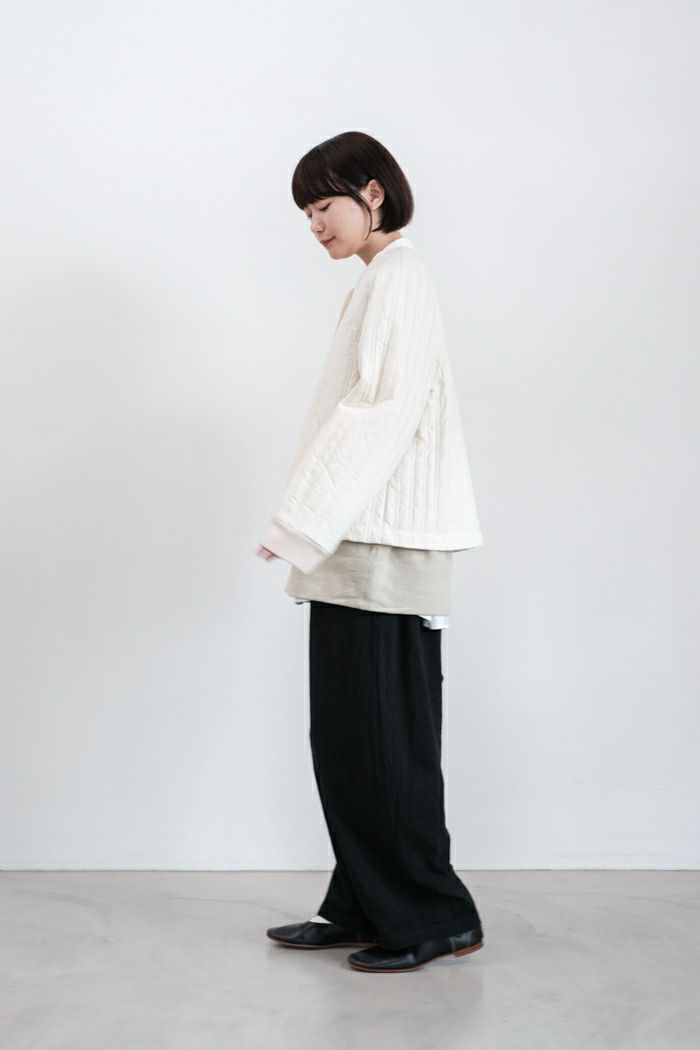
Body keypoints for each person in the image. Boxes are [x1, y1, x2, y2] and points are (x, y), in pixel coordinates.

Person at [256, 131, 485, 973]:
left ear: (373, 193)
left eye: (324, 205)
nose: (315, 224)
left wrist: (299, 518)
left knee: (384, 739)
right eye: (306, 213)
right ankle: (363, 902)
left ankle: (432, 916)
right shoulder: (377, 280)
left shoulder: (400, 277)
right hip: (360, 542)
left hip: (384, 543)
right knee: (350, 739)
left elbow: (380, 411)